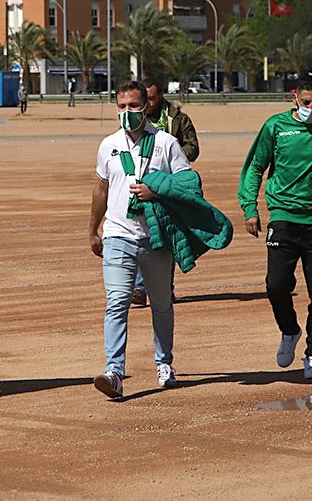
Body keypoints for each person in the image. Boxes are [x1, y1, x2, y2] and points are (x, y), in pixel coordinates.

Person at [237, 76, 312, 380]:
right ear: (294, 98)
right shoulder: (275, 127)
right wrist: (249, 207)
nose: (310, 108)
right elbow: (255, 166)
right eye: (306, 103)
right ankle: (289, 331)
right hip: (283, 216)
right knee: (276, 285)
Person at [89, 81, 192, 398]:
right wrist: (93, 228)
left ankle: (164, 363)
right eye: (121, 107)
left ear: (147, 106)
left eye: (133, 106)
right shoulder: (108, 145)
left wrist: (156, 189)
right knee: (117, 301)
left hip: (156, 238)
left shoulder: (166, 143)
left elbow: (187, 183)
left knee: (161, 305)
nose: (127, 113)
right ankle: (114, 371)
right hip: (118, 234)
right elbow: (101, 189)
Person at [131, 77, 200, 307]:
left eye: (151, 98)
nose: (147, 103)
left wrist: (168, 151)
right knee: (142, 234)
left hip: (168, 187)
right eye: (145, 99)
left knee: (166, 237)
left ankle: (164, 287)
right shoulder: (135, 117)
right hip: (140, 184)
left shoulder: (177, 118)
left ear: (161, 95)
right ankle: (140, 289)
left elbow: (193, 148)